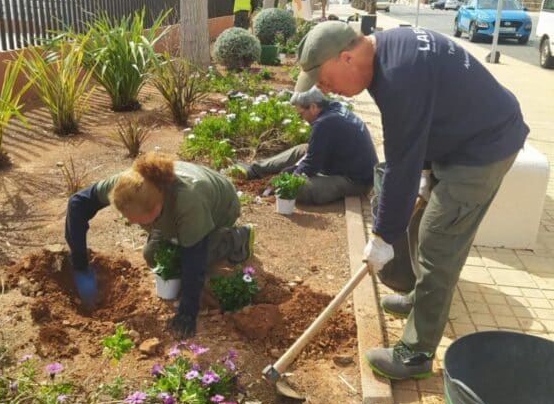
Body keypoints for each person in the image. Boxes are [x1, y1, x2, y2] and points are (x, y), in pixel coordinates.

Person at [294, 21, 529, 380]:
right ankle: (421, 299)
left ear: (346, 58)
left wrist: (383, 236)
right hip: (461, 137)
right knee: (420, 223)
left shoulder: (398, 76)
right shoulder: (390, 49)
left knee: (438, 242)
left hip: (484, 148)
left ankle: (416, 354)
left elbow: (401, 163)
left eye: (325, 81)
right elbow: (422, 124)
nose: (327, 92)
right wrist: (424, 173)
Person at [65, 153, 254, 338]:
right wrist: (80, 264)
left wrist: (187, 310)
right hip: (178, 210)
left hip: (221, 208)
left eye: (136, 219)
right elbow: (77, 203)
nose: (131, 222)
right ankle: (179, 237)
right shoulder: (129, 186)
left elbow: (194, 260)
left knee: (195, 257)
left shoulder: (188, 201)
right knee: (152, 255)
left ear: (157, 207)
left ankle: (237, 238)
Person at [231, 86, 378, 205]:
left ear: (313, 107)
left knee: (295, 188)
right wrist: (294, 169)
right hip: (342, 164)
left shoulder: (324, 123)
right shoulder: (333, 108)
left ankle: (277, 190)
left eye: (301, 114)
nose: (302, 119)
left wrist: (288, 177)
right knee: (303, 149)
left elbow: (311, 166)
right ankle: (254, 169)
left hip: (356, 181)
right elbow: (313, 157)